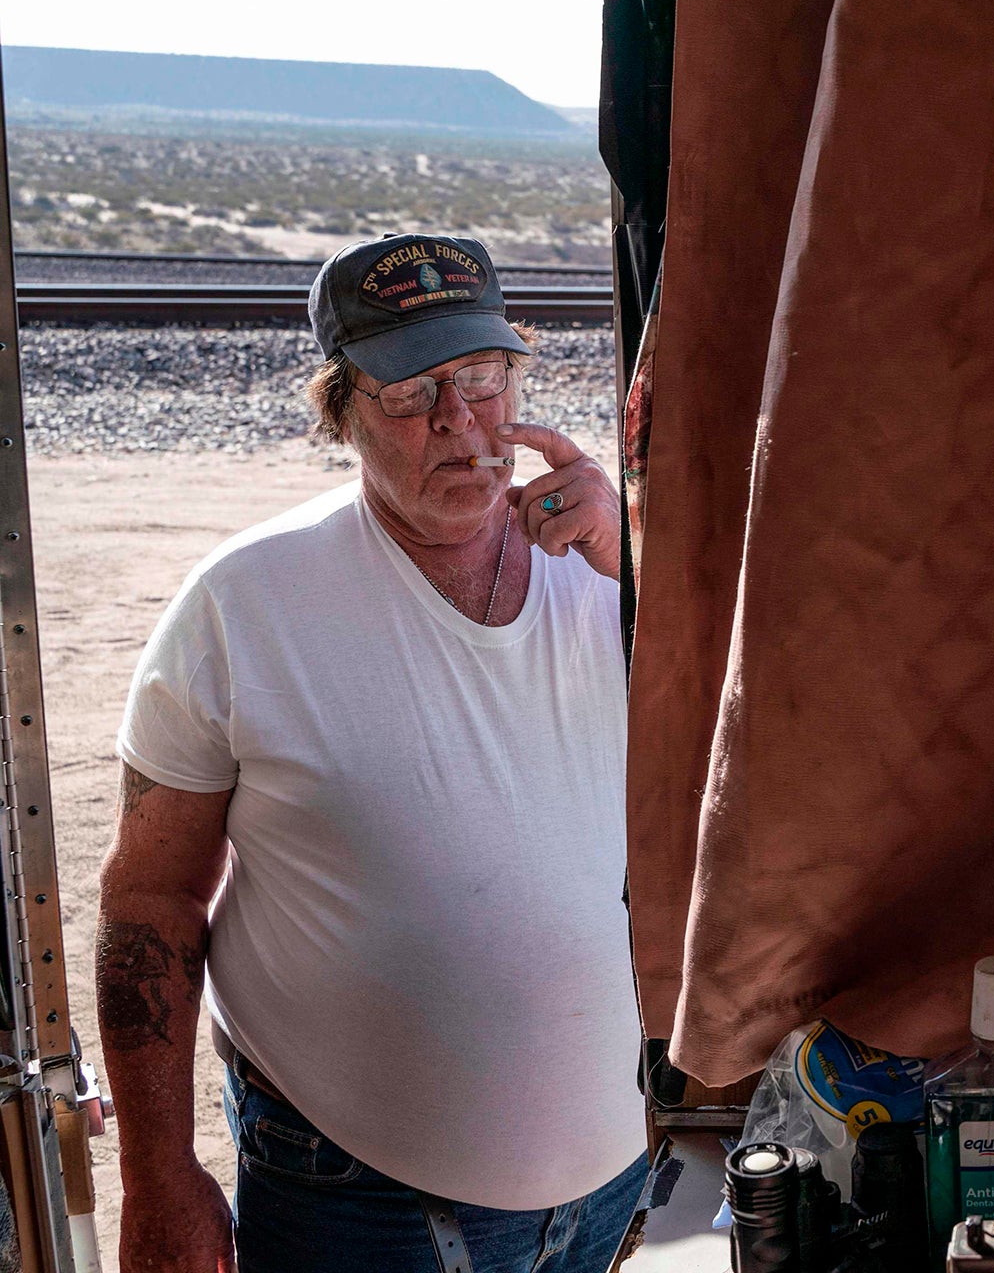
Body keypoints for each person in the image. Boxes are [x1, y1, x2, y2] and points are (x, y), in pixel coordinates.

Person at [95, 235, 647, 1272]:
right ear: (340, 410)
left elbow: (755, 765)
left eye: (479, 380)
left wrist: (642, 572)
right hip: (350, 1198)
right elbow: (149, 901)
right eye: (408, 393)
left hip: (607, 1185)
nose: (458, 422)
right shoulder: (243, 606)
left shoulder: (606, 563)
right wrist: (157, 1176)